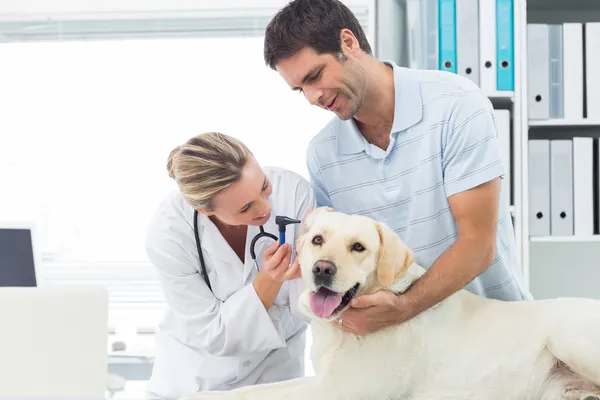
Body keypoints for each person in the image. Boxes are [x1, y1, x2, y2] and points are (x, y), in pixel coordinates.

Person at [263, 0, 532, 336]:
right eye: (300, 89)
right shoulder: (323, 154)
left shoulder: (455, 105)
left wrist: (404, 308)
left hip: (493, 334)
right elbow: (350, 260)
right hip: (401, 348)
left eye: (315, 76)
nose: (312, 97)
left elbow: (477, 244)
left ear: (349, 43)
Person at [144, 132, 316, 399]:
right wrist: (268, 282)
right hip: (196, 380)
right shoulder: (169, 233)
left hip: (276, 377)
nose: (266, 207)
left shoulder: (293, 192)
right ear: (205, 210)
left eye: (263, 186)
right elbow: (213, 334)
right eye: (246, 208)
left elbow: (307, 306)